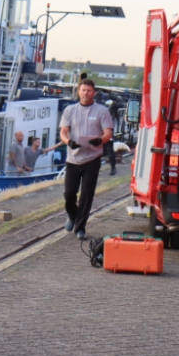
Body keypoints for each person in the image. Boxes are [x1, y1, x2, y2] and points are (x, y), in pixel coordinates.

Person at [60, 79, 114, 239]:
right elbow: (63, 131)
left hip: (92, 158)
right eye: (83, 90)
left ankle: (80, 228)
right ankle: (72, 215)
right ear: (78, 91)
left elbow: (108, 133)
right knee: (69, 193)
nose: (86, 93)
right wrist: (68, 141)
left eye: (89, 90)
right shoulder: (70, 110)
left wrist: (100, 140)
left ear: (94, 93)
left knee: (87, 194)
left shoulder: (102, 111)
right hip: (73, 159)